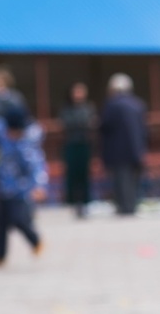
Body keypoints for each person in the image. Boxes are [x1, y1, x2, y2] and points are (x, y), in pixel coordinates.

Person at [0, 104, 47, 265]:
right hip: (2, 187)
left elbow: (37, 167)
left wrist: (39, 186)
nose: (12, 135)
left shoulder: (27, 145)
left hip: (21, 189)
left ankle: (35, 240)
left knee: (18, 219)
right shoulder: (3, 133)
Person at [99, 73, 147, 216]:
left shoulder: (112, 105)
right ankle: (132, 205)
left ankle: (124, 207)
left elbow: (104, 126)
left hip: (118, 150)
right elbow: (144, 129)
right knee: (134, 180)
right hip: (137, 148)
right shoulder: (138, 104)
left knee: (121, 180)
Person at [60, 82, 95, 218]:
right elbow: (68, 123)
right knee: (72, 175)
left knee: (84, 175)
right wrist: (83, 123)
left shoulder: (88, 107)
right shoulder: (67, 108)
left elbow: (90, 122)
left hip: (84, 144)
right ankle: (72, 203)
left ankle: (86, 203)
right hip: (71, 144)